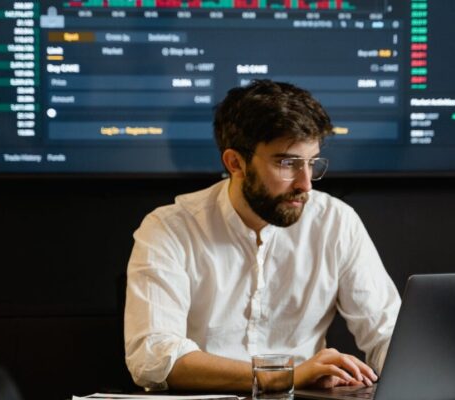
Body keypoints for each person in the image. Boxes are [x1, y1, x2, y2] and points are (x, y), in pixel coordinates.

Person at [124, 80, 401, 392]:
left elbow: (388, 334)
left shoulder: (336, 222)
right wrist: (282, 376)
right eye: (287, 163)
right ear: (235, 163)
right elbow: (153, 356)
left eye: (312, 163)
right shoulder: (169, 228)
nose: (305, 184)